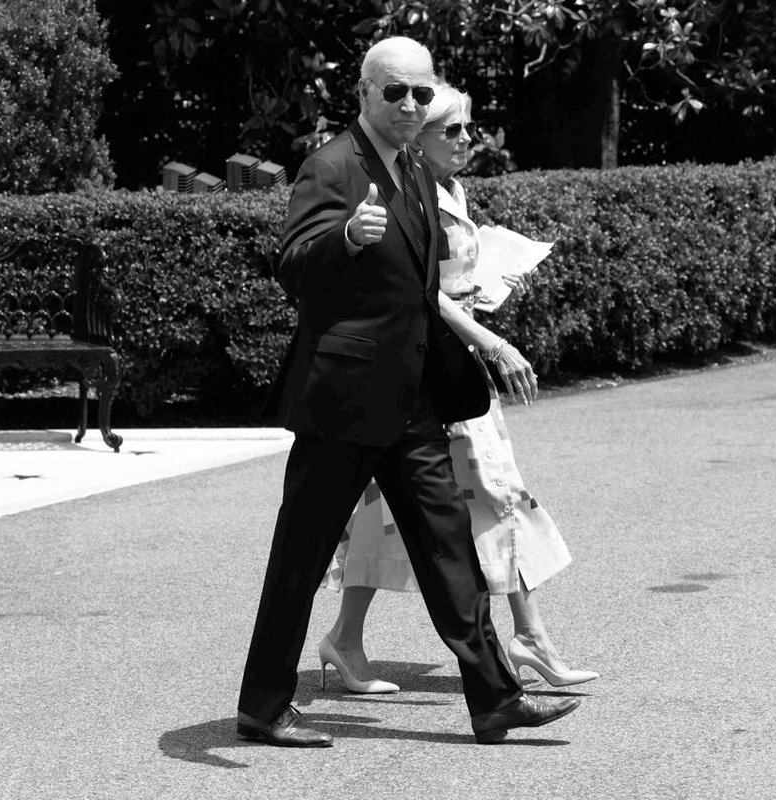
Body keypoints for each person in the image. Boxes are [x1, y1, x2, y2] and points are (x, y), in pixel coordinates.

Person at [236, 36, 580, 748]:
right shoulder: (331, 166)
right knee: (300, 557)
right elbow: (292, 266)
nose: (410, 104)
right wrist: (349, 240)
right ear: (363, 93)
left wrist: (473, 347)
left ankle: (496, 700)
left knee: (450, 550)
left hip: (412, 402)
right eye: (395, 92)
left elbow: (420, 290)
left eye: (421, 92)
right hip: (342, 402)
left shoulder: (416, 170)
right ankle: (263, 706)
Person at [316, 83, 599, 697]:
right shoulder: (402, 193)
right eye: (454, 130)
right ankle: (350, 637)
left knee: (487, 493)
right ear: (419, 137)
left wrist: (487, 283)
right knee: (441, 502)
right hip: (428, 374)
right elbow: (420, 292)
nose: (468, 139)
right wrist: (492, 341)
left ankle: (524, 635)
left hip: (452, 366)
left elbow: (448, 284)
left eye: (469, 127)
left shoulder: (447, 190)